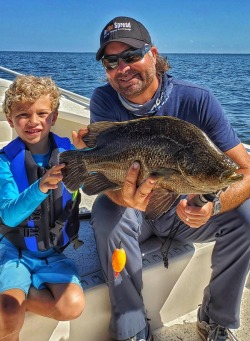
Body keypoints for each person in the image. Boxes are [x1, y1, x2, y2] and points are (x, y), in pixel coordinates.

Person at [88, 16, 250, 341]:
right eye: (111, 60)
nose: (123, 68)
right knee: (107, 215)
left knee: (246, 216)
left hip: (182, 210)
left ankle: (215, 320)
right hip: (134, 210)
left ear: (154, 54)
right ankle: (133, 328)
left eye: (132, 55)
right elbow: (104, 173)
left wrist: (213, 204)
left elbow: (243, 170)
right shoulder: (103, 100)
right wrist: (125, 197)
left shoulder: (197, 100)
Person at [0, 75, 86, 341]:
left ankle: (24, 291)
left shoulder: (70, 152)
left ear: (54, 117)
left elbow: (87, 187)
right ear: (10, 119)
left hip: (52, 249)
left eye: (42, 113)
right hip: (14, 248)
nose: (33, 121)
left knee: (72, 305)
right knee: (8, 312)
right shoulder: (5, 162)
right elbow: (9, 215)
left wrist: (85, 156)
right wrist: (39, 187)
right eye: (23, 114)